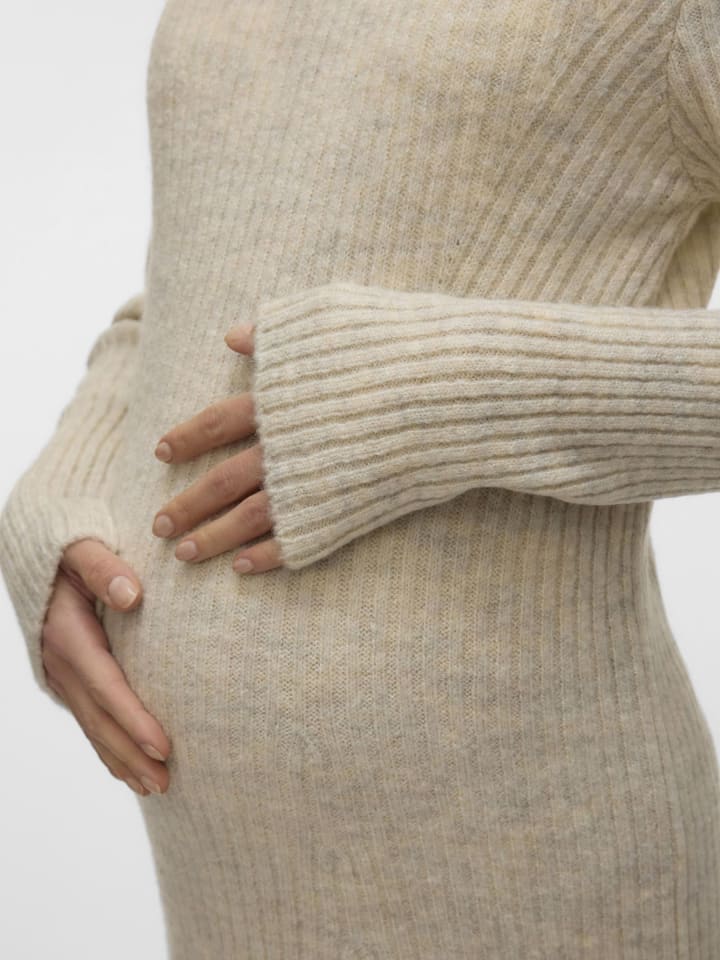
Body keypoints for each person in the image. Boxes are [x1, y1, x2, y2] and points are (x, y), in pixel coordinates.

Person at [2, 0, 720, 956]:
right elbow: (203, 283)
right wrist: (68, 475)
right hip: (228, 883)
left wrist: (443, 386)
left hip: (536, 873)